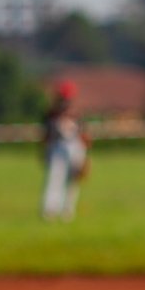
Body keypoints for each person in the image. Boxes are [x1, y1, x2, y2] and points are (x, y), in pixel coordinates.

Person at [39, 80, 89, 221]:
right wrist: (44, 150)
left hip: (75, 147)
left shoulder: (76, 113)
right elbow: (46, 134)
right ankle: (50, 210)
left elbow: (84, 134)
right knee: (55, 178)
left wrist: (85, 156)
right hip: (57, 147)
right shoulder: (52, 114)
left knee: (73, 181)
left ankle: (67, 211)